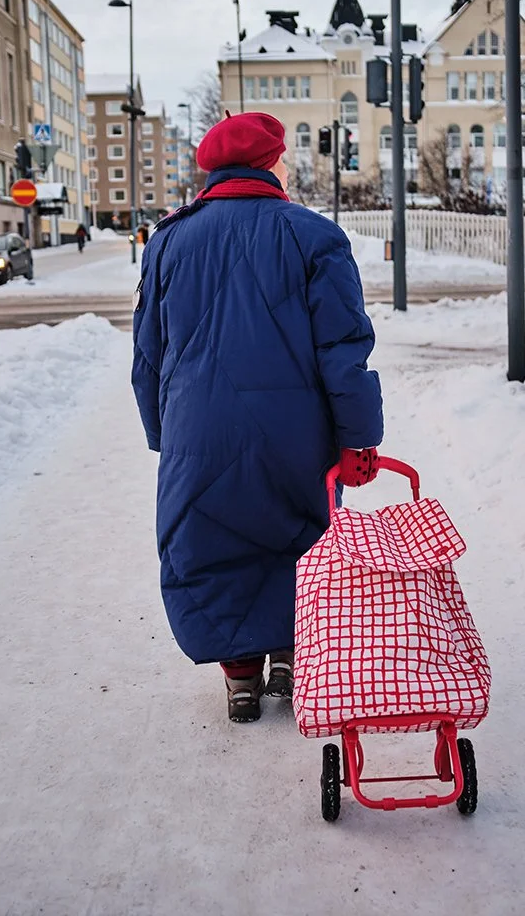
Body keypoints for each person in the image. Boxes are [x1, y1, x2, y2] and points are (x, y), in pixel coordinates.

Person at [132, 112, 383, 723]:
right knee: (301, 538)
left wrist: (163, 431)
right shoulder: (314, 235)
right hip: (298, 430)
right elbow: (343, 349)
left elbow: (148, 351)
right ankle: (294, 656)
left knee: (213, 538)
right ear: (272, 164)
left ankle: (239, 675)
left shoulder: (168, 239)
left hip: (200, 427)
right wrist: (358, 438)